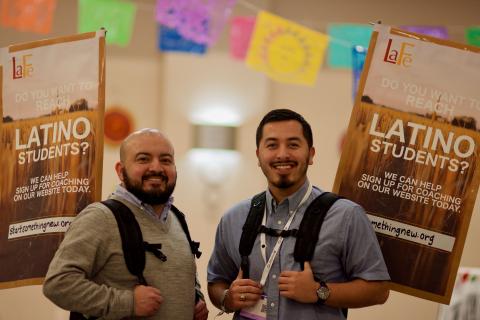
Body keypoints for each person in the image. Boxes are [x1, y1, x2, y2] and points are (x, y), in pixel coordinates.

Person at [207, 109, 390, 320]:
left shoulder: (346, 216)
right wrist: (227, 298)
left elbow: (379, 290)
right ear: (258, 155)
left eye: (293, 144)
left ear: (311, 154)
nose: (282, 154)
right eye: (272, 145)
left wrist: (319, 292)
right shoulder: (233, 218)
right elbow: (216, 282)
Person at [43, 128, 209, 320]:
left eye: (165, 160)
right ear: (121, 171)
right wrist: (128, 303)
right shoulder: (100, 218)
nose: (156, 168)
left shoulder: (177, 218)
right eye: (143, 159)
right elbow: (58, 283)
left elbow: (181, 274)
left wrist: (195, 299)